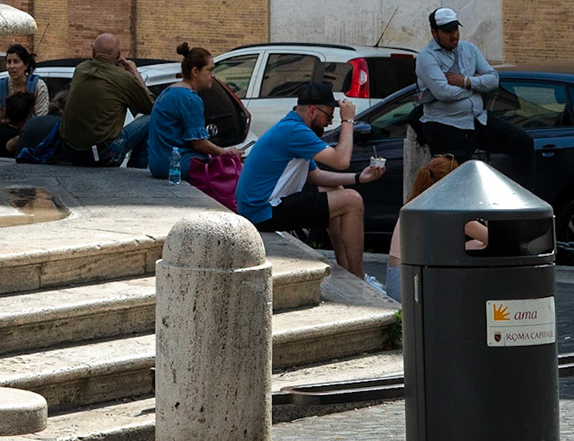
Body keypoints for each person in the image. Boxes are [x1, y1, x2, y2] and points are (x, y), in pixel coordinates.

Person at [235, 82, 384, 278]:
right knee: (352, 200)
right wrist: (348, 121)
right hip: (262, 210)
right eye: (329, 116)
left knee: (338, 190)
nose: (330, 123)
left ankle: (346, 270)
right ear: (313, 110)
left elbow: (316, 176)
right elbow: (341, 160)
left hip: (261, 207)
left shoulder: (292, 128)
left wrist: (358, 178)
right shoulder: (294, 131)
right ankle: (359, 277)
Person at [415, 7, 533, 183]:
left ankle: (523, 200)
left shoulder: (468, 49)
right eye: (447, 31)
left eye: (455, 29)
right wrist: (478, 86)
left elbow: (493, 79)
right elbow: (444, 93)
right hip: (448, 125)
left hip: (478, 120)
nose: (454, 35)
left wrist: (465, 81)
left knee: (523, 142)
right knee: (453, 179)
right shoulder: (426, 58)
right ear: (434, 32)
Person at [145, 43, 240, 181]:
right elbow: (199, 143)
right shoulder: (189, 98)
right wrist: (225, 152)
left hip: (157, 163)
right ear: (195, 71)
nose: (213, 76)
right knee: (231, 170)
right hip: (175, 165)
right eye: (210, 70)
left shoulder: (169, 91)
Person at [58, 34, 153, 166]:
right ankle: (136, 171)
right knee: (151, 119)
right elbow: (151, 107)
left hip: (71, 151)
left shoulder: (80, 69)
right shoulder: (124, 78)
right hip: (103, 155)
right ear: (119, 54)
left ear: (93, 52)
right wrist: (134, 73)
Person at [385, 154, 460, 302]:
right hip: (410, 286)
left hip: (398, 282)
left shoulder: (418, 202)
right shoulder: (442, 208)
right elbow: (489, 237)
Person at [0, 44, 49, 157]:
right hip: (6, 140)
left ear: (26, 65)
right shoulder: (1, 86)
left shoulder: (38, 86)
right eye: (9, 62)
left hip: (30, 141)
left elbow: (40, 118)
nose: (12, 66)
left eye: (16, 62)